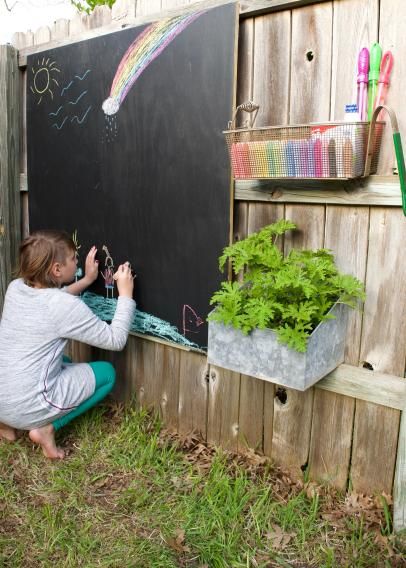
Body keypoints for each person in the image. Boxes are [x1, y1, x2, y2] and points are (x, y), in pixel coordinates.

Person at [0, 230, 136, 459]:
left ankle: (5, 424)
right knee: (107, 374)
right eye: (74, 258)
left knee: (64, 362)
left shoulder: (16, 288)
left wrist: (86, 281)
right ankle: (46, 428)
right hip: (29, 403)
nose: (77, 261)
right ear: (56, 269)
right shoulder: (63, 306)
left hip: (4, 398)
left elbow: (54, 302)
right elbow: (115, 339)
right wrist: (125, 294)